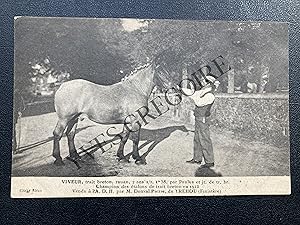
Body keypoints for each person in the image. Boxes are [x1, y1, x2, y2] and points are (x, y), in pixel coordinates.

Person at [182, 76, 217, 168]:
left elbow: (198, 102)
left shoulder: (210, 95)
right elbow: (192, 93)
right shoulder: (203, 92)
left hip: (203, 118)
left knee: (204, 138)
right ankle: (197, 158)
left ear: (208, 83)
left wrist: (192, 94)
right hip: (199, 117)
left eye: (204, 81)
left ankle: (209, 161)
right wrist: (180, 89)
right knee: (197, 138)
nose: (202, 82)